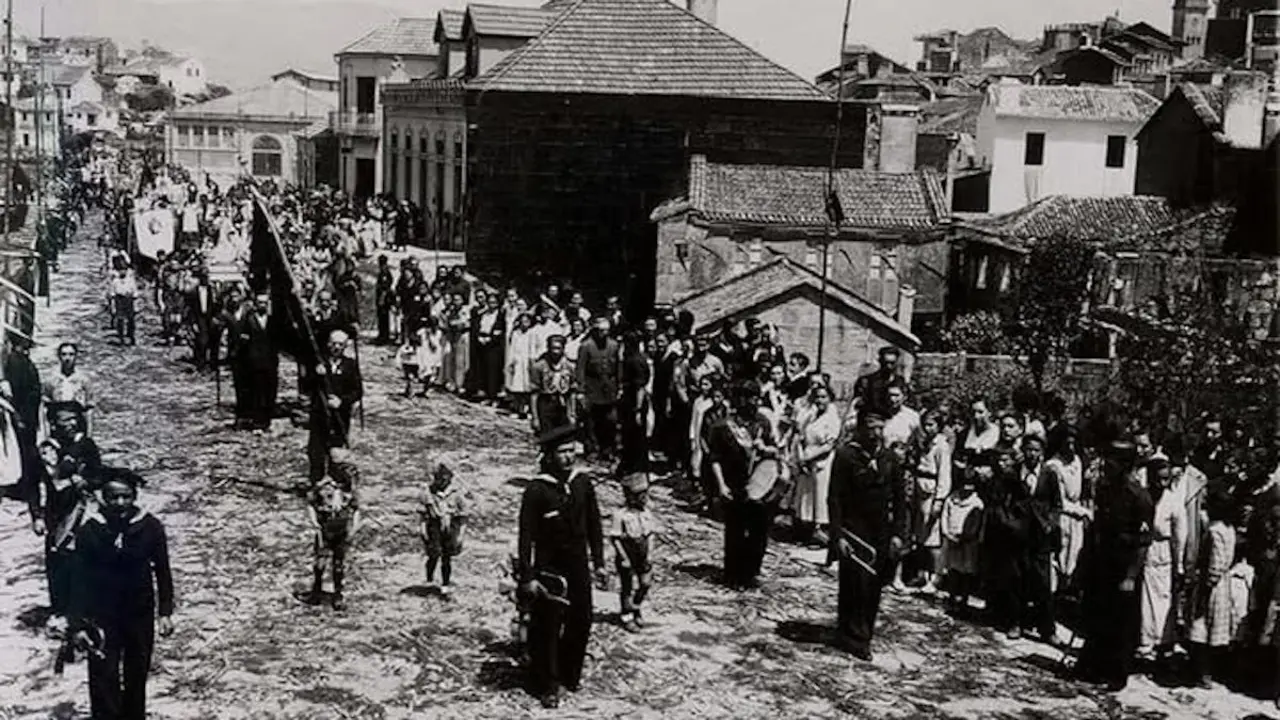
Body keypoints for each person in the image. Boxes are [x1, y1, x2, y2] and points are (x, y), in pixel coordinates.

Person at [68, 474, 175, 720]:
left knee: (137, 672)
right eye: (112, 497)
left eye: (125, 496)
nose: (119, 502)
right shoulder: (90, 531)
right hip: (101, 615)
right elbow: (77, 580)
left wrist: (165, 612)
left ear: (134, 497)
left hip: (139, 612)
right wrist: (77, 624)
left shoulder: (150, 527)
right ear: (103, 499)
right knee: (102, 674)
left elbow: (162, 570)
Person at [516, 425, 607, 709]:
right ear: (549, 455)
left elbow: (594, 524)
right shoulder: (537, 490)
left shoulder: (583, 483)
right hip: (549, 568)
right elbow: (526, 535)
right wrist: (528, 576)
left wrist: (600, 563)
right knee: (549, 626)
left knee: (582, 620)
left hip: (578, 563)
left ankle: (570, 673)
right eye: (562, 452)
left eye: (571, 451)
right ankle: (548, 683)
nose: (568, 457)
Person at [827, 411, 908, 661]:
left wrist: (898, 534)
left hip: (880, 532)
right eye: (871, 428)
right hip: (853, 530)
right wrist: (837, 534)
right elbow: (835, 498)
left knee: (872, 587)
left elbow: (900, 499)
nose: (876, 434)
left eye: (880, 428)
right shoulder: (845, 456)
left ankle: (863, 634)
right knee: (852, 583)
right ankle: (851, 635)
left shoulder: (891, 459)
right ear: (861, 429)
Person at [1075, 441, 1154, 692]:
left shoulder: (1140, 497)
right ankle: (1094, 667)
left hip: (1124, 568)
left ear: (1126, 464)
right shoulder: (1105, 489)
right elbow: (1097, 529)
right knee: (1099, 617)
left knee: (1121, 624)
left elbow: (1143, 543)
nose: (1107, 464)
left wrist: (1131, 576)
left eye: (1113, 460)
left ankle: (1116, 674)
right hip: (1102, 564)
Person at [709, 381, 777, 590]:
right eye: (748, 397)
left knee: (759, 532)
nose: (753, 402)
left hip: (758, 485)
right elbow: (714, 459)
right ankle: (733, 575)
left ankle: (751, 573)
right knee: (736, 532)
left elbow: (774, 451)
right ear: (739, 399)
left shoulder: (763, 423)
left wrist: (764, 447)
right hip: (734, 484)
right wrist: (721, 486)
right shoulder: (722, 427)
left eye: (756, 397)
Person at [1139, 457, 1187, 659]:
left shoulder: (1174, 501)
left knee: (1163, 599)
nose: (1161, 484)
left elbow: (1180, 535)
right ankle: (1145, 641)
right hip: (1144, 549)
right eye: (1157, 479)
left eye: (1165, 479)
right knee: (1144, 600)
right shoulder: (1143, 497)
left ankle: (1164, 641)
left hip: (1164, 552)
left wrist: (1180, 563)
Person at [306, 330, 363, 483]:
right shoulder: (319, 362)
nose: (336, 347)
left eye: (340, 344)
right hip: (319, 414)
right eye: (334, 343)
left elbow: (357, 391)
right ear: (328, 344)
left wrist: (342, 401)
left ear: (345, 346)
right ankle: (316, 483)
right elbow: (306, 388)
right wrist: (316, 375)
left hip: (340, 416)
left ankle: (336, 483)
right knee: (316, 450)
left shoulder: (350, 365)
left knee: (337, 451)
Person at [791, 382, 841, 547]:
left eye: (823, 397)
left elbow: (829, 445)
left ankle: (822, 534)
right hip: (807, 459)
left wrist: (809, 457)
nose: (819, 400)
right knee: (807, 497)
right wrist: (801, 457)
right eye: (817, 397)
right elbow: (802, 436)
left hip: (822, 461)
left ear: (830, 399)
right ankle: (806, 530)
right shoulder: (811, 416)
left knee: (821, 497)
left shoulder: (832, 418)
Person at [611, 471, 660, 632]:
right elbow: (615, 538)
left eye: (645, 494)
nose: (644, 498)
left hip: (643, 551)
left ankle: (636, 606)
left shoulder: (647, 513)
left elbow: (650, 535)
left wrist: (650, 554)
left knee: (645, 583)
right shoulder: (620, 515)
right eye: (639, 495)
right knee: (627, 586)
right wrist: (623, 557)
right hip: (627, 551)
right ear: (630, 497)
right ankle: (627, 615)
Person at [307, 474, 360, 610]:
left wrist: (354, 528)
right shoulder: (318, 495)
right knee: (320, 563)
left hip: (341, 533)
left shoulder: (346, 497)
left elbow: (355, 510)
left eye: (332, 487)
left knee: (338, 564)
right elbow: (310, 504)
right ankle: (317, 590)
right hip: (324, 532)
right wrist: (314, 521)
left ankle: (337, 595)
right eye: (326, 487)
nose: (328, 490)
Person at [421, 463, 470, 598]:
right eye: (438, 479)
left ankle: (445, 583)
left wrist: (461, 535)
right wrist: (423, 529)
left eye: (444, 479)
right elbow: (423, 514)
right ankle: (429, 578)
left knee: (446, 557)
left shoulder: (457, 494)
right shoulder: (428, 492)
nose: (441, 482)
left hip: (450, 527)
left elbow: (464, 516)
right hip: (434, 526)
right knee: (433, 553)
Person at [576, 316, 621, 462]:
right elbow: (580, 370)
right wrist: (581, 391)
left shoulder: (614, 346)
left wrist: (619, 387)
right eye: (601, 331)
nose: (604, 334)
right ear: (594, 331)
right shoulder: (586, 346)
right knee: (591, 422)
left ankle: (608, 449)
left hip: (609, 389)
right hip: (592, 388)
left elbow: (618, 369)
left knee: (610, 421)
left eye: (607, 331)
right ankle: (592, 449)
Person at [940, 472, 984, 613]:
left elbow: (977, 524)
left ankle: (963, 600)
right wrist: (947, 533)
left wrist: (967, 538)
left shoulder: (977, 503)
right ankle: (952, 597)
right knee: (953, 569)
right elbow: (944, 517)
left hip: (968, 543)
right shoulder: (951, 499)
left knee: (966, 571)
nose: (966, 490)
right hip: (952, 538)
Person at [236, 293, 277, 433]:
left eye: (265, 303)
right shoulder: (249, 319)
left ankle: (267, 421)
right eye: (260, 302)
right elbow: (242, 339)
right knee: (257, 392)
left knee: (270, 391)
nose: (262, 305)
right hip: (253, 362)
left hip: (270, 361)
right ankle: (257, 422)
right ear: (255, 304)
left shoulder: (273, 320)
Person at [530, 334, 576, 436]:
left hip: (562, 404)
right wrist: (535, 417)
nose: (555, 352)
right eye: (553, 348)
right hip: (546, 402)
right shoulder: (539, 366)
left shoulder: (570, 367)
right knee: (547, 436)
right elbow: (534, 394)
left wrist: (572, 413)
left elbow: (572, 392)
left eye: (558, 348)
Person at [43, 342, 93, 436]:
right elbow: (45, 410)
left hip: (77, 428)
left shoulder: (83, 380)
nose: (67, 358)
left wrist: (89, 435)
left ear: (76, 356)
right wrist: (47, 434)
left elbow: (88, 410)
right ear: (59, 356)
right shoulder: (51, 380)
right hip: (58, 428)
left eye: (71, 354)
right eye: (64, 354)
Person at [849, 346, 907, 424]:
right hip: (870, 423)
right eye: (885, 363)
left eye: (892, 363)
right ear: (880, 361)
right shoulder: (867, 381)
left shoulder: (900, 382)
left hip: (895, 422)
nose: (889, 366)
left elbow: (906, 403)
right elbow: (856, 404)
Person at [374, 255, 395, 345]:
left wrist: (381, 299)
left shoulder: (385, 272)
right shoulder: (383, 271)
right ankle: (382, 335)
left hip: (384, 299)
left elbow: (385, 287)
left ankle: (384, 337)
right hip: (381, 298)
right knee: (381, 318)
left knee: (383, 318)